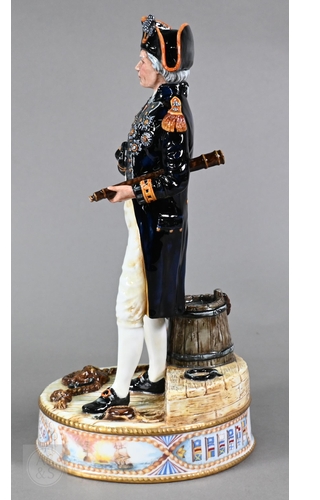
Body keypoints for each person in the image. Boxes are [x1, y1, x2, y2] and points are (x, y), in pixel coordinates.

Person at [82, 15, 194, 414]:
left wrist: (132, 188)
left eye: (143, 60)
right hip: (145, 222)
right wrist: (128, 161)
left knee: (130, 306)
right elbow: (149, 155)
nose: (137, 66)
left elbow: (176, 178)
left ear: (160, 67)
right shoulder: (157, 103)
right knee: (150, 309)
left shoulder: (171, 109)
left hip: (157, 225)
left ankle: (121, 391)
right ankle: (157, 376)